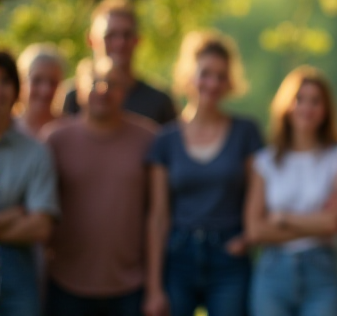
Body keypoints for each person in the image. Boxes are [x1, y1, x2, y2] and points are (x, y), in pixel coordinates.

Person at [145, 31, 262, 316]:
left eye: (221, 76)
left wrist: (247, 237)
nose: (213, 83)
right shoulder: (165, 140)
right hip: (178, 255)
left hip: (229, 257)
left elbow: (259, 194)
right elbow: (158, 216)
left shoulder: (246, 133)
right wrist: (153, 288)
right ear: (189, 76)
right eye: (205, 74)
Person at [45, 58, 158, 316]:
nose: (103, 91)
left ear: (126, 90)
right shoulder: (55, 140)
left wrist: (154, 288)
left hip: (131, 286)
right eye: (95, 83)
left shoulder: (149, 138)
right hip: (66, 284)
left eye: (113, 84)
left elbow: (158, 215)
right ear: (79, 89)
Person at [245, 66, 337, 316]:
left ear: (326, 109)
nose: (307, 108)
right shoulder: (265, 162)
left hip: (321, 272)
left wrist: (282, 218)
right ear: (287, 105)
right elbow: (255, 229)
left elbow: (334, 223)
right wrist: (314, 224)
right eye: (300, 100)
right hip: (272, 273)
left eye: (315, 101)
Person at [0, 50, 59, 316]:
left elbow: (40, 226)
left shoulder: (35, 152)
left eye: (5, 81)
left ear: (15, 89)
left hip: (17, 273)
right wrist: (11, 215)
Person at [62, 0, 176, 125]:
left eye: (127, 35)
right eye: (110, 35)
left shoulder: (159, 101)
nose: (120, 43)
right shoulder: (73, 97)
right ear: (91, 40)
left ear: (138, 40)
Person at [15, 43, 66, 139]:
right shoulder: (7, 130)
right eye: (37, 80)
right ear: (21, 82)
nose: (45, 90)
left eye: (53, 82)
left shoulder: (69, 131)